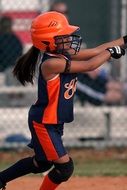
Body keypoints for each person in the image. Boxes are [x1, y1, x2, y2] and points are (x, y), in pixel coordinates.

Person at [0, 11, 127, 190]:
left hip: (52, 121)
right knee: (64, 168)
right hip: (44, 123)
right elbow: (90, 65)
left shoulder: (63, 55)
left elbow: (97, 51)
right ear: (48, 42)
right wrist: (111, 53)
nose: (69, 39)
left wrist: (123, 41)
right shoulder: (51, 64)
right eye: (63, 37)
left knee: (42, 164)